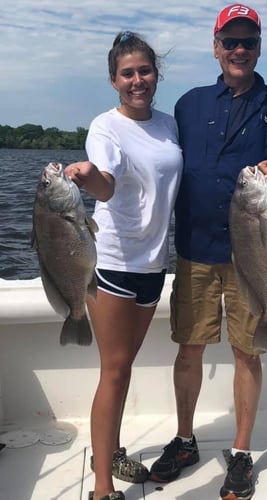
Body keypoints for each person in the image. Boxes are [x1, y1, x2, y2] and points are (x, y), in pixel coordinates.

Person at [150, 4, 267, 500]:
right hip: (194, 251)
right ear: (216, 46)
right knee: (189, 346)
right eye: (230, 41)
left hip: (255, 257)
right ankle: (185, 441)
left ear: (258, 48)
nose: (239, 50)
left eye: (248, 41)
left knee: (248, 352)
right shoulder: (188, 105)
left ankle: (242, 452)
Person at [65, 31, 183, 500]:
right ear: (114, 80)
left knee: (125, 365)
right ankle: (101, 487)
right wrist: (89, 177)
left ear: (156, 74)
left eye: (145, 71)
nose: (138, 81)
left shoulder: (170, 124)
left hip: (154, 262)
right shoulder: (105, 127)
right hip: (113, 261)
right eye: (128, 73)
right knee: (113, 369)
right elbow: (107, 186)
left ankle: (109, 450)